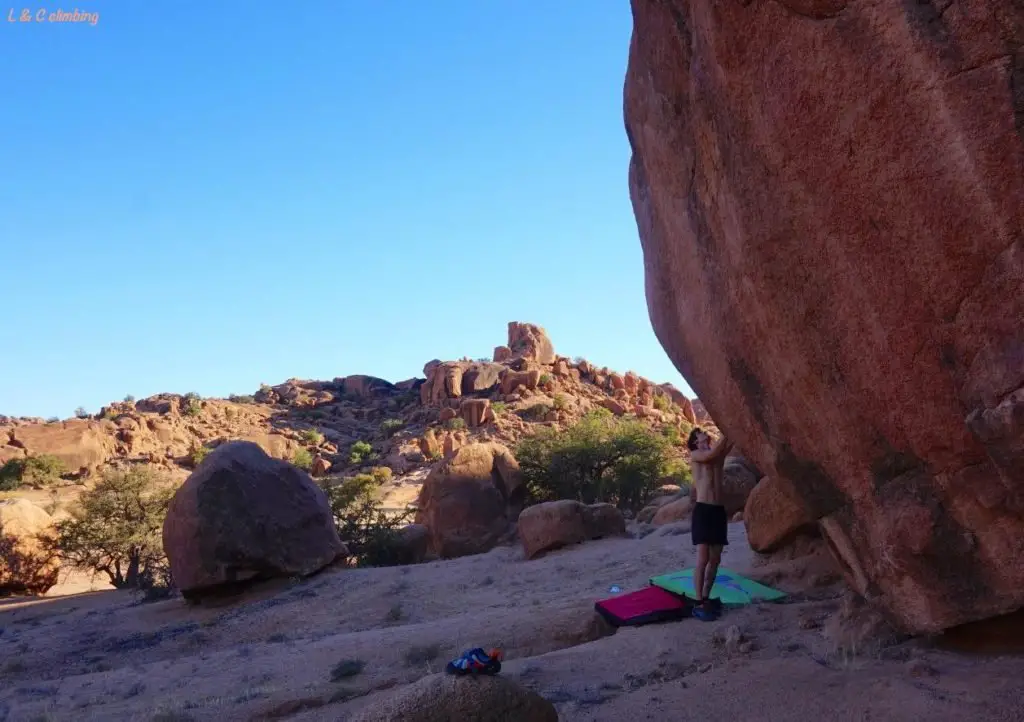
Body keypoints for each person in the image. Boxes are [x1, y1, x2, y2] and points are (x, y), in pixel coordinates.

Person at [686, 426, 733, 620]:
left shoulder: (717, 456)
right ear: (696, 441)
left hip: (718, 511)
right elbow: (712, 454)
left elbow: (726, 447)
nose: (704, 433)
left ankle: (706, 597)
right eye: (700, 433)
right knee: (703, 559)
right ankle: (698, 602)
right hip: (703, 510)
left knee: (715, 560)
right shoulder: (696, 455)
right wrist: (729, 430)